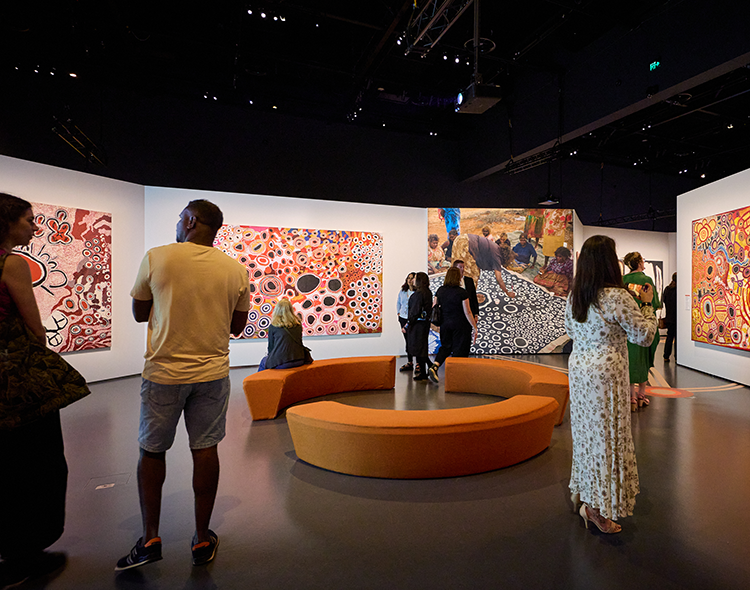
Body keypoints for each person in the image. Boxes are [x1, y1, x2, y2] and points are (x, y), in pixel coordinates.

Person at [118, 199, 250, 570]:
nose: (178, 224)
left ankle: (149, 540)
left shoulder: (158, 257)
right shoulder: (234, 269)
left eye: (180, 219)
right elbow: (237, 327)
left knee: (152, 451)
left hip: (163, 373)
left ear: (190, 221)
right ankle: (202, 539)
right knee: (205, 449)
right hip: (211, 373)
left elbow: (140, 312)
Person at [0, 194, 90, 587]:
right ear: (6, 223)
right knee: (33, 465)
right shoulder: (11, 263)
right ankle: (22, 553)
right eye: (27, 220)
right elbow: (35, 329)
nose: (34, 228)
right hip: (15, 384)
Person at [565, 235, 657, 534]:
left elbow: (570, 330)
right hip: (606, 375)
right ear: (609, 261)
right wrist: (648, 308)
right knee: (608, 439)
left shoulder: (575, 296)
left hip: (580, 371)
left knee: (587, 436)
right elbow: (643, 336)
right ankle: (598, 509)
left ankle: (586, 495)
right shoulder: (617, 297)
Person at [622, 252, 662, 410]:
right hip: (644, 322)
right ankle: (641, 394)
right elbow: (655, 302)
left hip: (627, 324)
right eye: (642, 260)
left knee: (629, 358)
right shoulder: (646, 280)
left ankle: (631, 396)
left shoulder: (623, 280)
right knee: (644, 358)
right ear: (638, 262)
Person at [427, 267, 477, 383]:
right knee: (460, 350)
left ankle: (435, 366)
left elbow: (434, 306)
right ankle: (457, 377)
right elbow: (468, 312)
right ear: (457, 277)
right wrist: (474, 326)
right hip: (460, 325)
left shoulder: (440, 291)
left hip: (445, 324)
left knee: (446, 347)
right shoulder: (462, 292)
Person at [450, 233, 516, 298]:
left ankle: (470, 294)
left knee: (471, 271)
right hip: (464, 244)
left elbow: (478, 263)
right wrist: (507, 292)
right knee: (471, 276)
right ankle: (468, 298)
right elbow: (499, 278)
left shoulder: (496, 248)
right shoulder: (497, 257)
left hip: (462, 239)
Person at [258, 298, 312, 371]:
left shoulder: (273, 327)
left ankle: (261, 381)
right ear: (291, 310)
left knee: (263, 362)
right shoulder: (298, 325)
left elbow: (271, 347)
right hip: (300, 359)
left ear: (277, 310)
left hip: (282, 362)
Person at [407, 272, 433, 381]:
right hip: (425, 323)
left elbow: (414, 311)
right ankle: (427, 369)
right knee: (422, 347)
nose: (413, 280)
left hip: (417, 325)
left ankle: (427, 369)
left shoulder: (418, 294)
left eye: (415, 278)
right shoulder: (428, 292)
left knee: (419, 348)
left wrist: (409, 323)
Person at [397, 273, 416, 372]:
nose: (410, 280)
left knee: (413, 340)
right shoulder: (403, 291)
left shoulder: (417, 292)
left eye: (412, 278)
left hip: (413, 319)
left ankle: (418, 363)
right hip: (403, 318)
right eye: (408, 278)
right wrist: (398, 313)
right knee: (407, 340)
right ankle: (410, 362)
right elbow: (399, 302)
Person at [662, 272, 677, 361]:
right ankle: (677, 356)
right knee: (677, 338)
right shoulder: (678, 290)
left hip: (669, 317)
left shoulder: (667, 289)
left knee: (669, 337)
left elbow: (664, 301)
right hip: (676, 318)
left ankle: (666, 356)